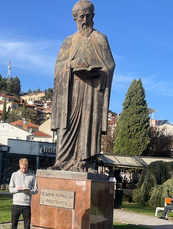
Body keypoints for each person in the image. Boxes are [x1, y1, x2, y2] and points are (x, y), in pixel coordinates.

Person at [50, 0, 115, 172]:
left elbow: (110, 65)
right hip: (71, 89)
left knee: (88, 125)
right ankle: (62, 162)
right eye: (81, 17)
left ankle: (86, 163)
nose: (84, 20)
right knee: (67, 125)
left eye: (87, 16)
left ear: (93, 16)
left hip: (92, 90)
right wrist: (71, 65)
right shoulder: (69, 41)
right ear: (75, 19)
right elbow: (58, 66)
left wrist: (98, 71)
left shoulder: (100, 39)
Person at [6, 158, 38, 229]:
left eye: (25, 168)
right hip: (16, 203)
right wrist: (17, 189)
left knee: (27, 227)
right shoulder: (14, 175)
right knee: (13, 225)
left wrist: (30, 191)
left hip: (26, 204)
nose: (24, 170)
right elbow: (10, 189)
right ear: (19, 166)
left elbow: (36, 190)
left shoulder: (32, 176)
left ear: (28, 166)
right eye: (22, 168)